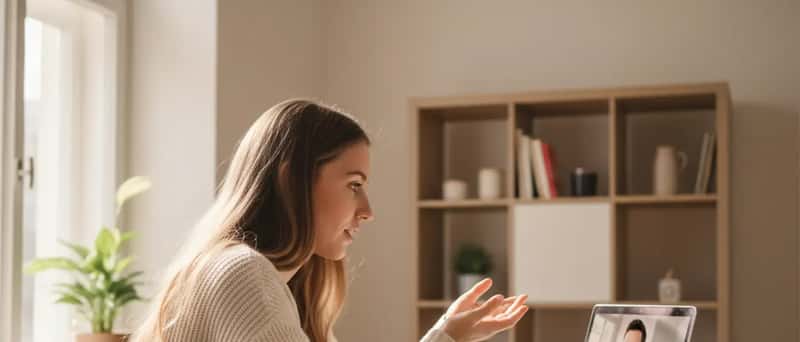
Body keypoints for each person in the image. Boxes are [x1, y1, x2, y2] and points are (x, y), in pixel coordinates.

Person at [131, 100, 529, 342]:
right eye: (354, 185)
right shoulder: (243, 272)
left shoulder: (255, 275)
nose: (368, 210)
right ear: (292, 180)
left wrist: (447, 333)